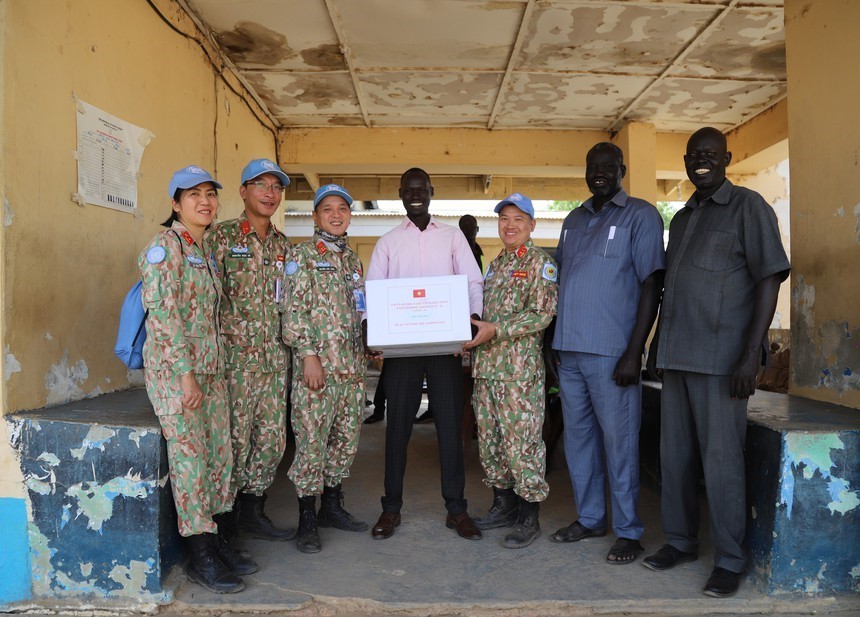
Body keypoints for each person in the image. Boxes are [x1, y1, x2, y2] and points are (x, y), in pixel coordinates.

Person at [643, 127, 790, 597]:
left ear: (726, 158)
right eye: (693, 155)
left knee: (722, 462)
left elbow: (770, 279)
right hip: (679, 356)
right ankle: (682, 541)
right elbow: (673, 290)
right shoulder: (682, 219)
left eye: (710, 154)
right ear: (685, 162)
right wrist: (657, 346)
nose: (701, 161)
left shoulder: (750, 207)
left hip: (724, 360)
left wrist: (752, 354)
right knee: (676, 458)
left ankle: (729, 559)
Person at [139, 165, 253, 593]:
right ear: (175, 204)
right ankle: (198, 552)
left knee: (218, 457)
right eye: (193, 195)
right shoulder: (164, 248)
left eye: (209, 194)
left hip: (211, 371)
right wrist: (187, 378)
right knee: (189, 462)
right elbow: (165, 319)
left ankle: (217, 538)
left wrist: (210, 372)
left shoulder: (203, 251)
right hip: (177, 375)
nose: (205, 201)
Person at [551, 143, 665, 565]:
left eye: (607, 167)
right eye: (592, 166)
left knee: (620, 443)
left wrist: (635, 352)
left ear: (622, 169)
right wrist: (553, 344)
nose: (599, 173)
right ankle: (591, 517)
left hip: (613, 353)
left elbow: (652, 284)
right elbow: (562, 282)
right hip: (570, 351)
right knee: (578, 442)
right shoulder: (573, 219)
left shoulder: (640, 215)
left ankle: (630, 530)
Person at [366, 167, 484, 541]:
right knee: (396, 429)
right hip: (402, 351)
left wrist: (474, 317)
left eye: (422, 189)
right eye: (408, 190)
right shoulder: (387, 242)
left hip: (445, 347)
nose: (415, 195)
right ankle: (390, 509)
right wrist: (372, 328)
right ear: (401, 194)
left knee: (449, 428)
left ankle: (457, 509)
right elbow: (374, 291)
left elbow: (472, 281)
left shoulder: (452, 238)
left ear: (431, 191)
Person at [207, 158, 295, 542]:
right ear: (243, 192)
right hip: (234, 365)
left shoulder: (285, 247)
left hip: (275, 363)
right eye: (261, 185)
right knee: (233, 443)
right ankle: (226, 526)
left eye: (276, 187)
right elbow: (206, 301)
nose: (269, 193)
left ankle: (253, 512)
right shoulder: (220, 238)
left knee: (271, 442)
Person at [464, 193, 558, 548]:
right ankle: (502, 505)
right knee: (491, 443)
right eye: (504, 218)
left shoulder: (539, 264)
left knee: (523, 445)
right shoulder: (496, 264)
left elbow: (542, 315)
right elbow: (484, 315)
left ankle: (528, 515)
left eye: (518, 218)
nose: (510, 225)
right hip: (487, 370)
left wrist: (495, 330)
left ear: (532, 225)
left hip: (518, 375)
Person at [281, 184, 369, 553]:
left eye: (343, 209)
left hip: (351, 370)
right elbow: (292, 311)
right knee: (312, 444)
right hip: (317, 371)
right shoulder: (301, 257)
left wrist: (371, 340)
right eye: (327, 209)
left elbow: (360, 310)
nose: (336, 215)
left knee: (344, 444)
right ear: (315, 216)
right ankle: (307, 518)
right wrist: (308, 355)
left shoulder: (353, 260)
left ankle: (332, 507)